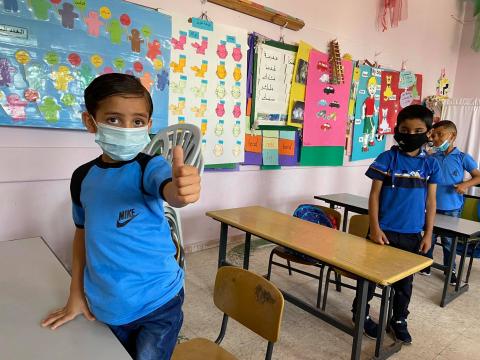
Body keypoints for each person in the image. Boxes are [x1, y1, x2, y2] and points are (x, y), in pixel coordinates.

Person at [41, 73, 201, 360]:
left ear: (148, 126)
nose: (127, 129)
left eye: (138, 121)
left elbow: (170, 190)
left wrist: (181, 191)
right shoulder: (82, 177)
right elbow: (82, 233)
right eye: (114, 119)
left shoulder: (150, 168)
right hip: (106, 307)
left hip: (159, 303)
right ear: (91, 122)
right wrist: (75, 292)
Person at [352, 105, 441, 344]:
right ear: (397, 130)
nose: (411, 135)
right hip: (383, 232)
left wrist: (428, 234)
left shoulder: (431, 165)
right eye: (405, 130)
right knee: (370, 278)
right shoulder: (387, 158)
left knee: (404, 283)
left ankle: (399, 319)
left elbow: (431, 202)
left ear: (428, 132)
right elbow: (373, 196)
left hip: (413, 234)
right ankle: (359, 314)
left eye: (418, 130)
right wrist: (375, 229)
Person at [421, 120, 480, 284]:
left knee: (448, 242)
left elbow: (478, 176)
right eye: (435, 134)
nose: (436, 138)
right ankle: (426, 263)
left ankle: (450, 269)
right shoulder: (433, 156)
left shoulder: (462, 158)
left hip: (452, 208)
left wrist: (464, 185)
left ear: (452, 136)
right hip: (431, 206)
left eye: (440, 134)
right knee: (429, 237)